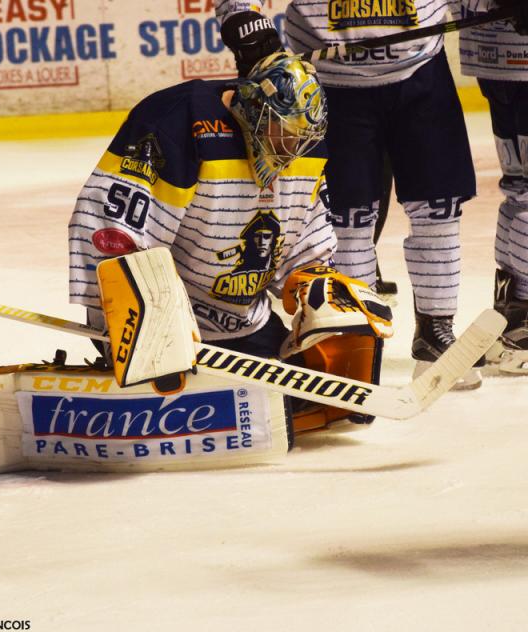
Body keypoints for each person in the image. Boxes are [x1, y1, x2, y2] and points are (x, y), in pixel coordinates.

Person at [69, 52, 392, 432]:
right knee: (146, 309)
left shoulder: (301, 146)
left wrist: (314, 281)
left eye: (300, 140)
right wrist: (133, 322)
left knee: (305, 389)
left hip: (241, 322)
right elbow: (112, 229)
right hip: (163, 321)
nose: (290, 151)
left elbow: (304, 237)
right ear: (253, 109)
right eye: (282, 133)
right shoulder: (178, 119)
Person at [216, 1, 483, 388]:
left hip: (423, 73)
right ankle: (359, 339)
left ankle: (435, 335)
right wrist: (241, 15)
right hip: (333, 83)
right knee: (348, 221)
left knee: (439, 209)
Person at [459, 0, 528, 368]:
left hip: (494, 53)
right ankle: (517, 315)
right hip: (503, 55)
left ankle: (516, 314)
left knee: (520, 186)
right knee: (520, 185)